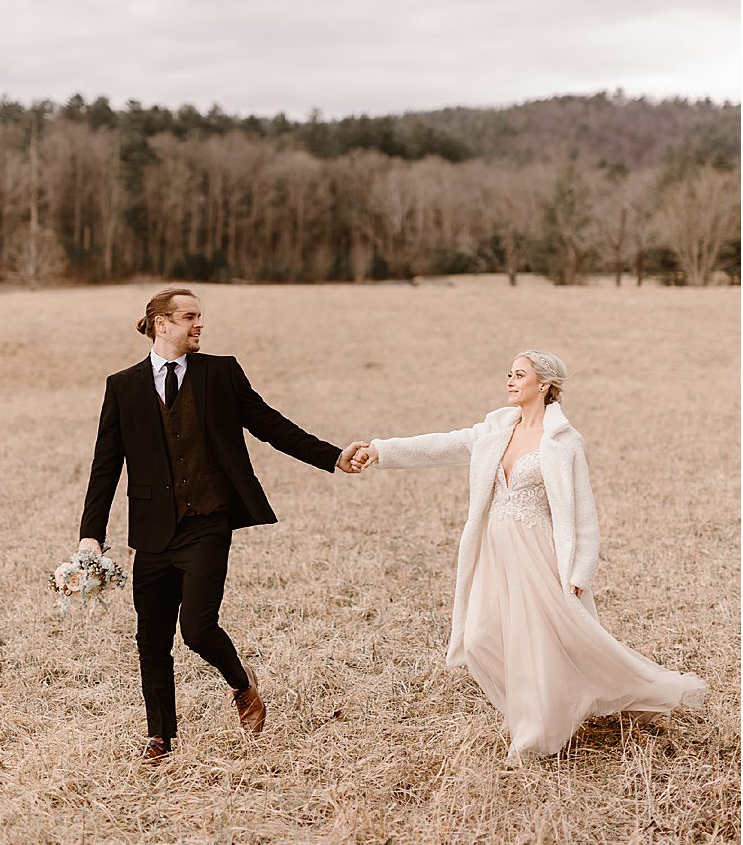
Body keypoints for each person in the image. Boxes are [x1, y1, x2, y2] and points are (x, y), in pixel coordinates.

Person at [355, 350, 706, 762]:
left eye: (519, 375)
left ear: (543, 385)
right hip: (493, 550)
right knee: (480, 637)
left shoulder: (563, 442)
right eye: (509, 373)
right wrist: (381, 450)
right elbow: (442, 445)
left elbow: (582, 512)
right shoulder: (495, 429)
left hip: (538, 553)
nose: (509, 380)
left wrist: (580, 569)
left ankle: (534, 732)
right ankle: (540, 708)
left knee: (539, 642)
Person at [77, 287, 367, 762]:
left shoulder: (221, 373)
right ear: (161, 323)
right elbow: (105, 465)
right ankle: (160, 737)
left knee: (196, 627)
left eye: (200, 317)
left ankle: (240, 682)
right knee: (151, 637)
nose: (199, 325)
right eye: (189, 317)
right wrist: (92, 533)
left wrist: (333, 457)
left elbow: (272, 426)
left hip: (207, 520)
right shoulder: (122, 387)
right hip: (152, 530)